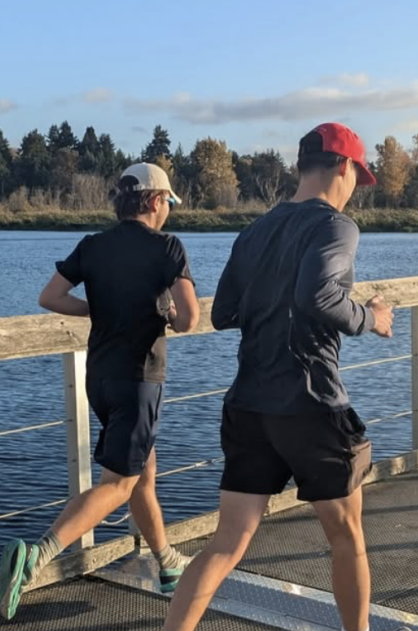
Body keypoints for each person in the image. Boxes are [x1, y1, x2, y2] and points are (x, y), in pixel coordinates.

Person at [161, 123, 395, 631]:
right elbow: (317, 295)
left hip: (249, 403)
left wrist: (271, 300)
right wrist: (370, 317)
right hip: (312, 402)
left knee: (227, 542)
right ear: (344, 166)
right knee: (347, 536)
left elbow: (223, 312)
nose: (356, 188)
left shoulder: (255, 231)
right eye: (358, 177)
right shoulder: (337, 226)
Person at [0, 162, 201, 620]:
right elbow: (189, 319)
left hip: (100, 377)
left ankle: (167, 562)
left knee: (142, 471)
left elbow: (49, 297)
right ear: (155, 201)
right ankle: (36, 557)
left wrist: (97, 308)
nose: (168, 210)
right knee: (119, 483)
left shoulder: (93, 245)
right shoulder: (166, 246)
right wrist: (167, 315)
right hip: (139, 379)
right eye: (168, 201)